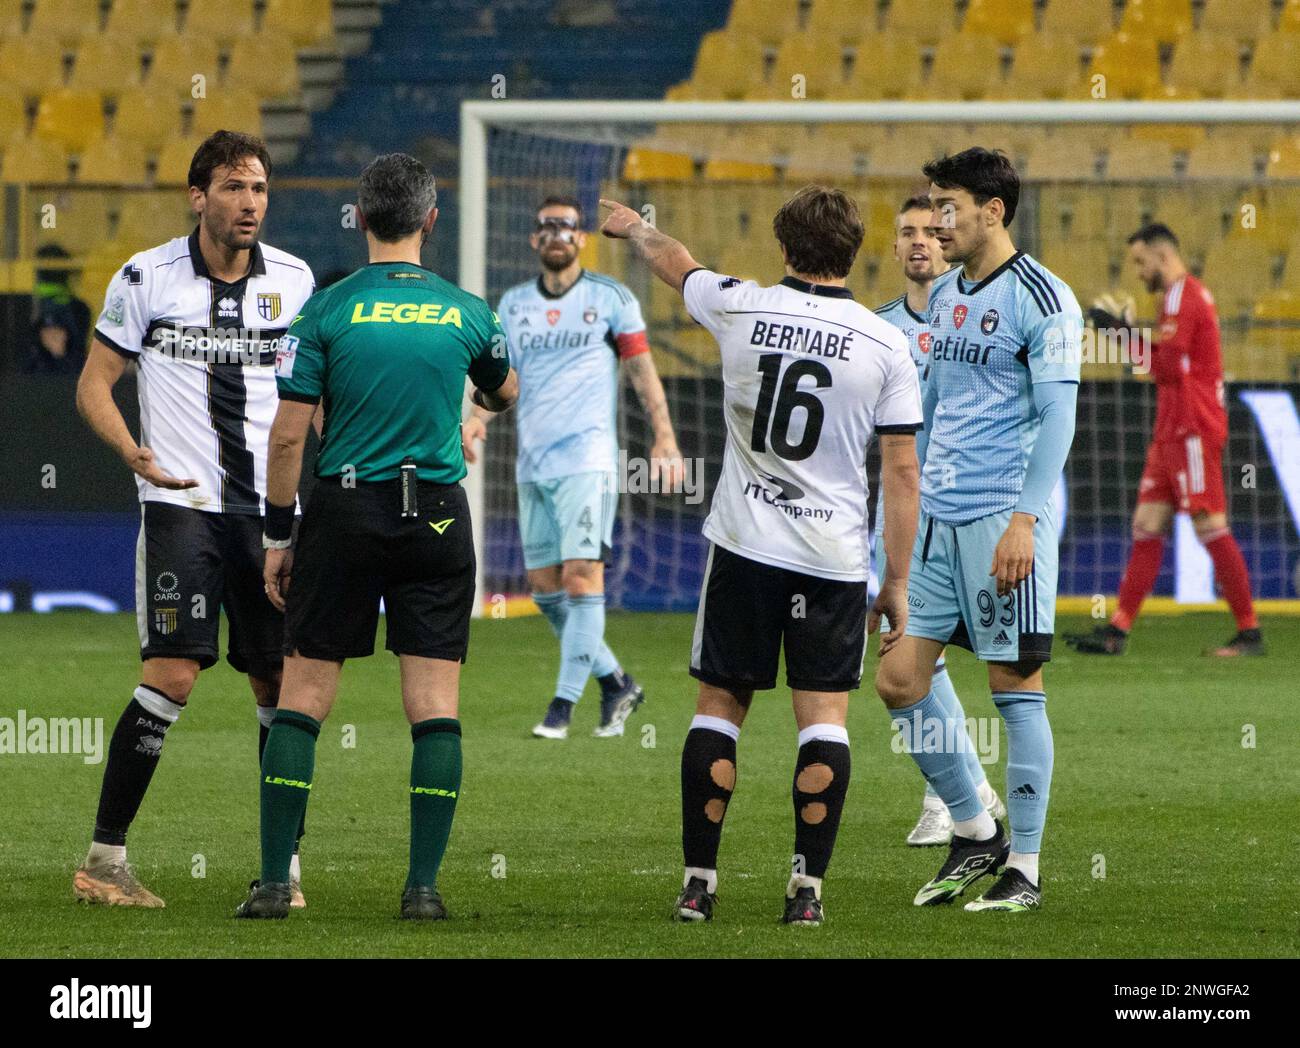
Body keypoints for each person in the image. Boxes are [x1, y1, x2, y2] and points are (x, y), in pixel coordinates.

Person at [600, 185, 923, 926]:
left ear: (783, 248)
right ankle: (805, 893)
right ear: (852, 254)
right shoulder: (884, 344)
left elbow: (678, 263)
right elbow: (903, 472)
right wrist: (896, 581)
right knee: (824, 721)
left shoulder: (739, 304)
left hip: (745, 545)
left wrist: (637, 230)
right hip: (833, 558)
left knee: (719, 709)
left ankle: (698, 884)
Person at [234, 153, 518, 921]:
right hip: (434, 514)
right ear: (432, 220)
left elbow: (289, 439)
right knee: (433, 704)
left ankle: (271, 884)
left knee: (304, 700)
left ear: (358, 219)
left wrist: (279, 535)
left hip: (345, 512)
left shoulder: (325, 311)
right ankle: (422, 889)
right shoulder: (468, 312)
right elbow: (505, 389)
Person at [73, 130, 315, 909]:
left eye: (260, 189)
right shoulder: (147, 276)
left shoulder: (297, 281)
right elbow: (93, 385)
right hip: (182, 507)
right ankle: (104, 860)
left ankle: (283, 869)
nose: (251, 203)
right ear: (198, 195)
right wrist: (132, 452)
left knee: (278, 680)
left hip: (271, 515)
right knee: (172, 673)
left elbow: (319, 394)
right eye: (236, 187)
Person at [875, 148, 1082, 913]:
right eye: (931, 207)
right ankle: (972, 827)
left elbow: (1059, 416)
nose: (937, 221)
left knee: (1014, 688)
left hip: (1003, 516)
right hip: (939, 520)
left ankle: (1024, 866)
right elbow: (935, 413)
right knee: (898, 678)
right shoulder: (954, 295)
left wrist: (1025, 520)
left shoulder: (1045, 298)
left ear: (992, 210)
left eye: (949, 206)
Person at [462, 194, 683, 739]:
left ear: (582, 238)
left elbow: (640, 369)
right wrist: (474, 416)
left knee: (582, 578)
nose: (557, 234)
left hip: (589, 460)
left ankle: (560, 709)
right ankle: (616, 682)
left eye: (567, 226)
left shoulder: (611, 298)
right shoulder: (512, 304)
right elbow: (496, 375)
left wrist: (665, 436)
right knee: (544, 590)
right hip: (532, 462)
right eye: (547, 226)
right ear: (535, 240)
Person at [1066, 223, 1262, 657]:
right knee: (1147, 525)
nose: (1138, 272)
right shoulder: (1176, 299)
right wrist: (1123, 333)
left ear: (1162, 256)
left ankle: (1250, 632)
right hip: (1170, 430)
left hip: (1192, 429)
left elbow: (1168, 367)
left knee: (1209, 523)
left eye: (1141, 262)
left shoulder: (1183, 297)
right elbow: (1167, 361)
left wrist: (1118, 332)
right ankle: (1116, 632)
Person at [874, 196, 1004, 847]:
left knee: (991, 664)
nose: (920, 241)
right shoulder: (876, 329)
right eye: (907, 232)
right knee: (909, 656)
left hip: (971, 511)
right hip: (898, 519)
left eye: (931, 230)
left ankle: (960, 797)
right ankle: (960, 792)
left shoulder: (976, 314)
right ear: (894, 248)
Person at [24, 243, 90, 375]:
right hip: (34, 375)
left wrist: (59, 354)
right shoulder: (23, 307)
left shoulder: (78, 309)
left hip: (61, 375)